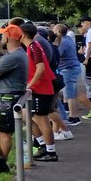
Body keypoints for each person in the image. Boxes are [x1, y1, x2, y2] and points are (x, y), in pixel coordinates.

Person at [0, 25, 28, 175]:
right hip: (5, 97)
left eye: (3, 34)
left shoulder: (13, 57)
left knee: (4, 132)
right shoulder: (18, 54)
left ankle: (1, 163)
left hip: (8, 98)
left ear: (8, 37)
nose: (1, 37)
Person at [21, 24, 60, 161]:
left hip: (41, 89)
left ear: (23, 35)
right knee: (26, 115)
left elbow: (41, 68)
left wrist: (30, 85)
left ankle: (50, 151)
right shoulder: (32, 46)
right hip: (39, 88)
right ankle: (42, 145)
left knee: (42, 119)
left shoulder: (33, 47)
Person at [55, 24, 85, 126]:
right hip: (72, 67)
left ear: (58, 32)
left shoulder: (63, 42)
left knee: (70, 94)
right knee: (72, 93)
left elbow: (57, 54)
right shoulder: (68, 39)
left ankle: (73, 117)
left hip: (68, 69)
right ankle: (73, 115)